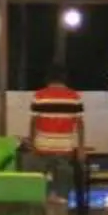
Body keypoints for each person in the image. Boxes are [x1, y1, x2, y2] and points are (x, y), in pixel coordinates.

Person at [29, 70, 85, 200]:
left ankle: (44, 214)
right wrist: (81, 148)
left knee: (42, 187)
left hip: (42, 148)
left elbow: (33, 123)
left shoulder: (39, 96)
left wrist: (32, 144)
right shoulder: (74, 97)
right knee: (62, 189)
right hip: (64, 149)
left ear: (48, 80)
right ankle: (61, 213)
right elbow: (80, 124)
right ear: (64, 79)